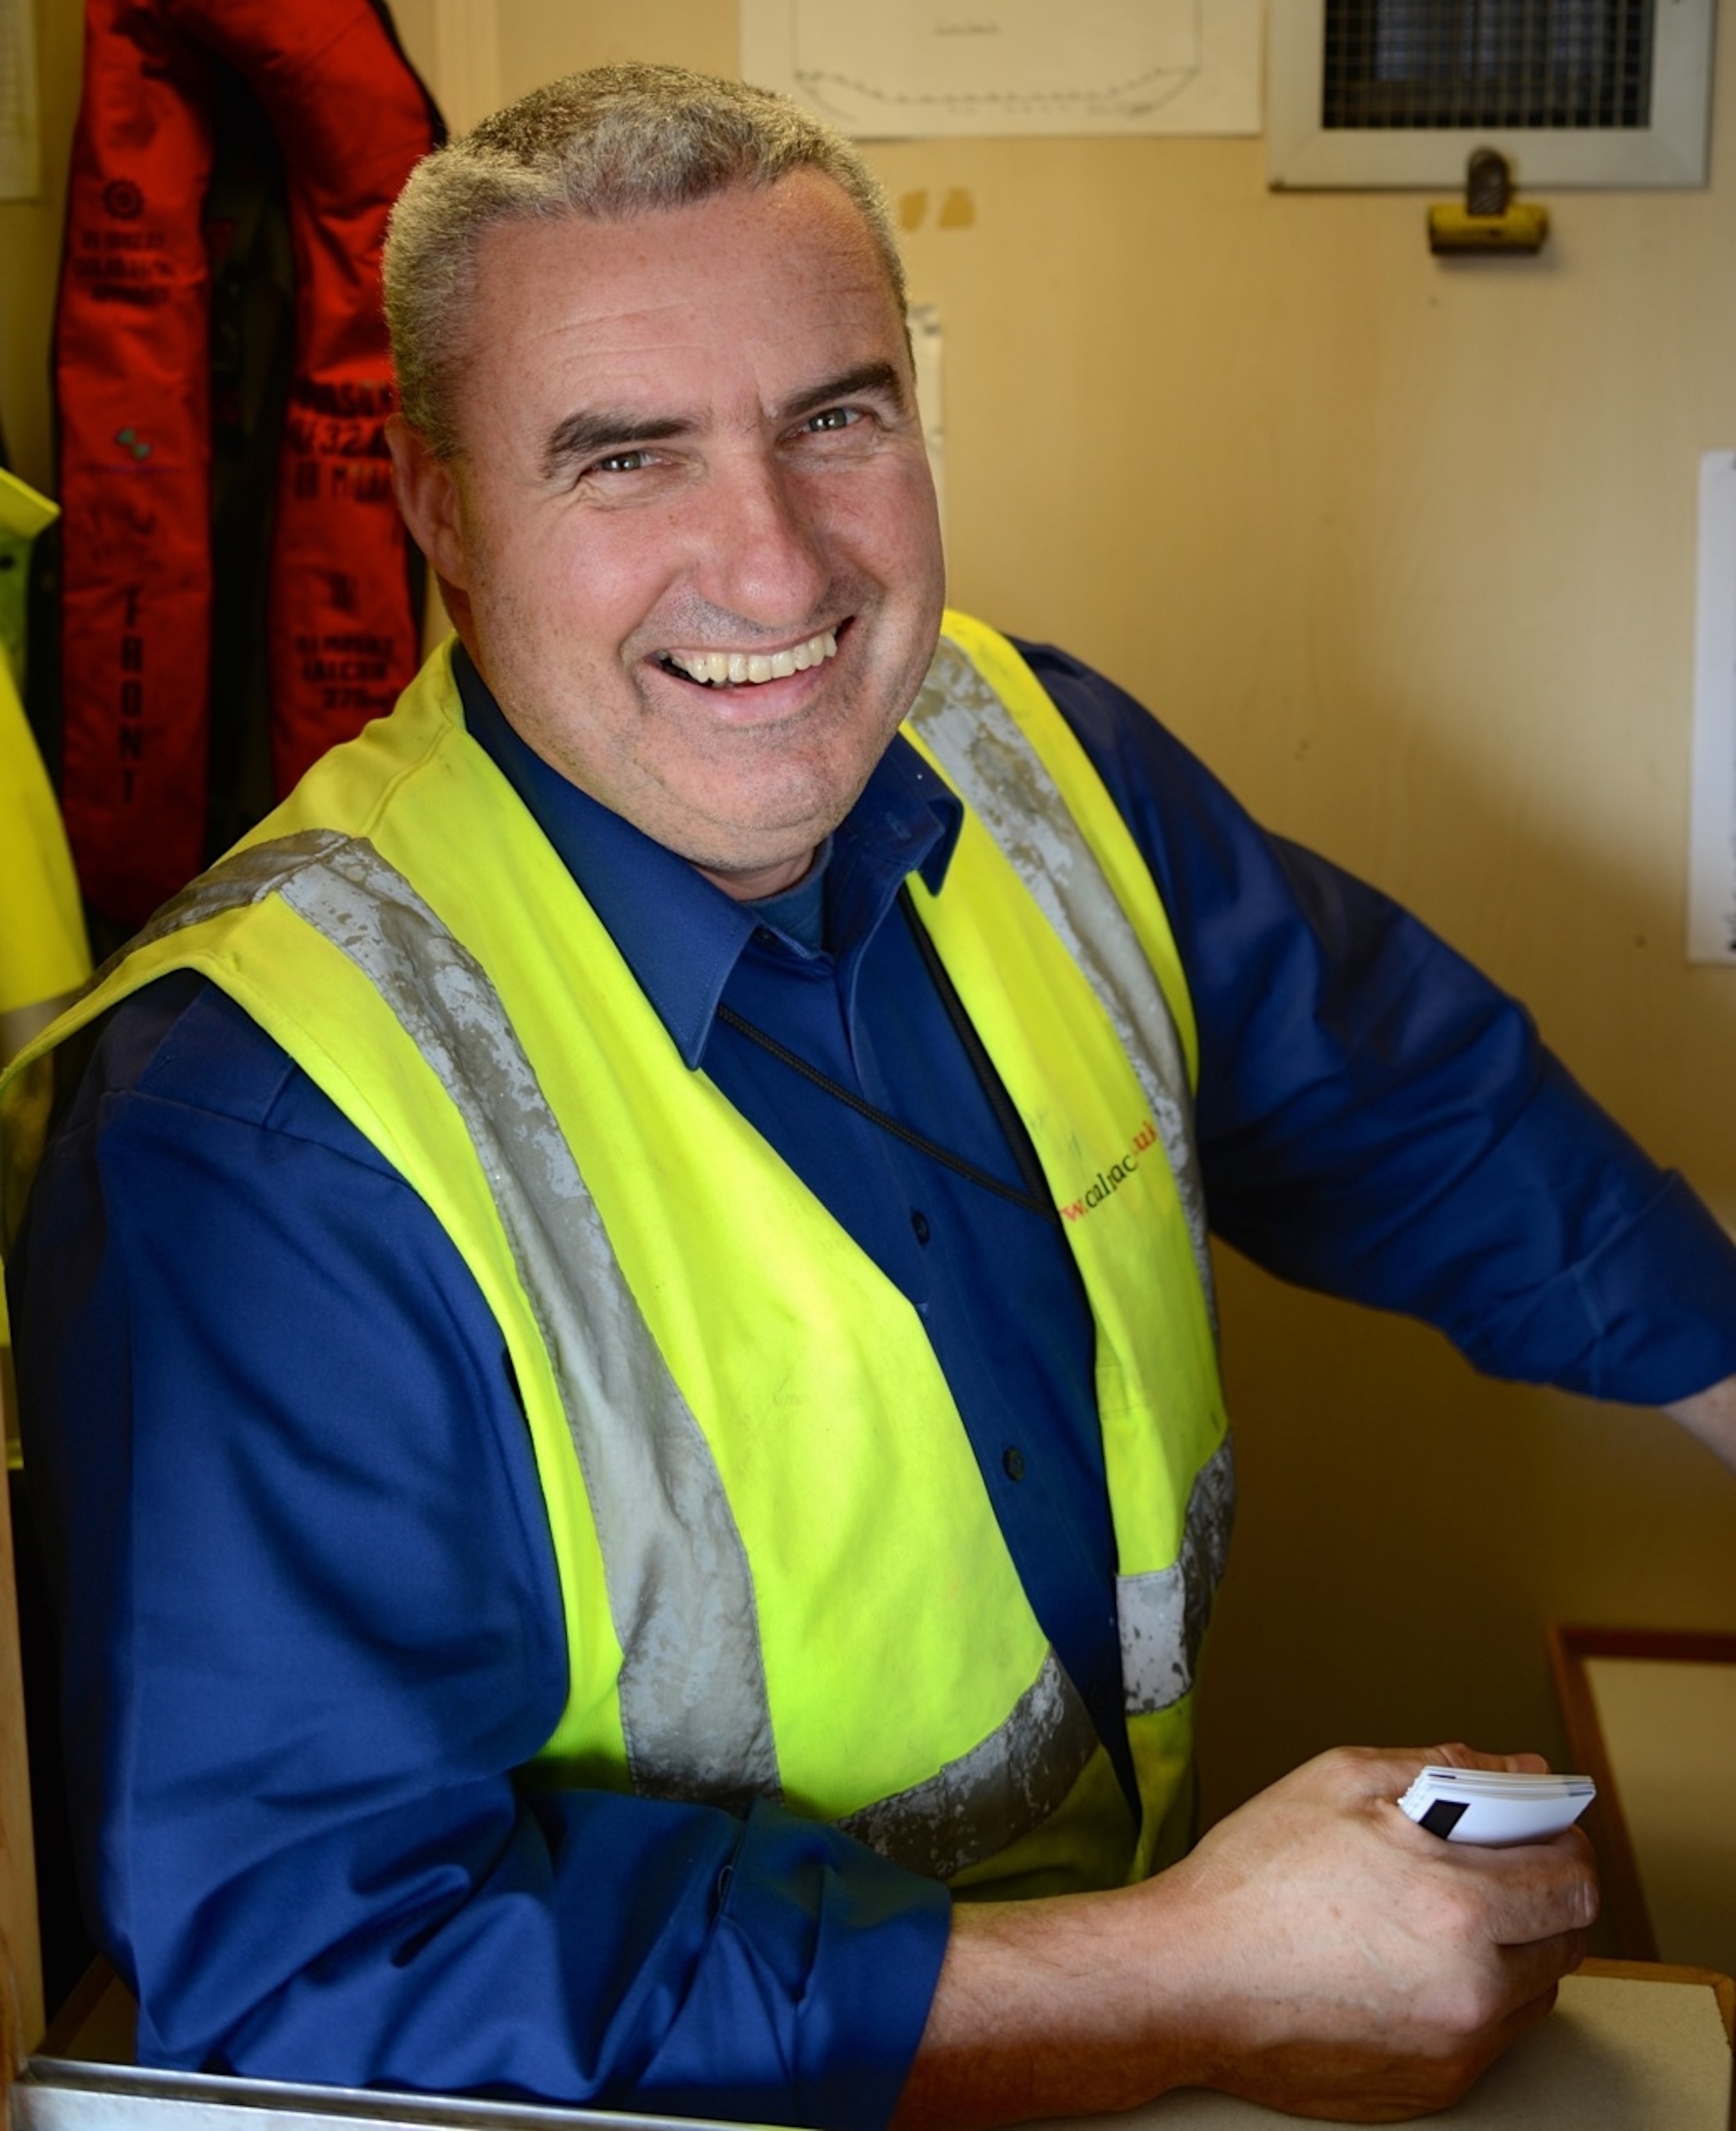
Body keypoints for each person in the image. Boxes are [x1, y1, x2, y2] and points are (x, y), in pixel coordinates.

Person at [6, 62, 1735, 2131]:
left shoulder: (1028, 749)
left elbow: (1419, 1110)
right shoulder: (251, 1130)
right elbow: (316, 1965)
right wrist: (1186, 1974)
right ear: (445, 519)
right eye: (624, 457)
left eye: (835, 417)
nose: (774, 562)